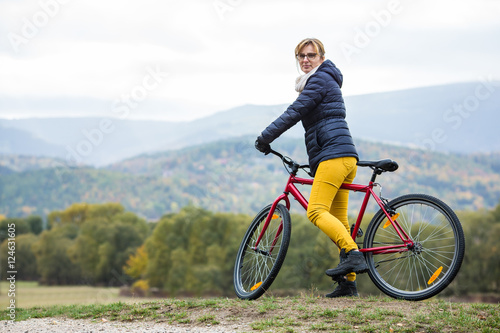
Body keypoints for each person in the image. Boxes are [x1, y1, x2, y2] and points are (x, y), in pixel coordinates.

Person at [255, 38, 368, 298]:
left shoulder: (320, 81)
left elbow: (294, 112)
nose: (306, 60)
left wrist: (265, 137)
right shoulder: (323, 80)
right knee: (338, 221)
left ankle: (353, 255)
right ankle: (348, 284)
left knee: (316, 211)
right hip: (343, 157)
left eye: (311, 55)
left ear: (321, 57)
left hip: (334, 156)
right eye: (301, 56)